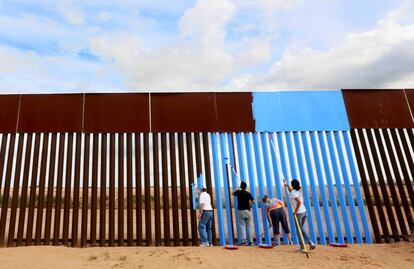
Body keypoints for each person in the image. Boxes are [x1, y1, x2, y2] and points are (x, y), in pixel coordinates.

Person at [284, 179, 316, 252]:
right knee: (301, 229)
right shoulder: (297, 191)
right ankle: (309, 243)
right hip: (304, 212)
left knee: (299, 230)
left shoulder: (293, 193)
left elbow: (298, 202)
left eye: (291, 184)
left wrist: (295, 211)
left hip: (299, 213)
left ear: (293, 185)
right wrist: (286, 185)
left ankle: (305, 246)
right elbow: (291, 191)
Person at [233, 181, 255, 246]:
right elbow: (254, 202)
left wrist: (237, 188)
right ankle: (250, 242)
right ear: (246, 187)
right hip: (248, 211)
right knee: (249, 227)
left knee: (242, 226)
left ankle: (244, 241)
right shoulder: (248, 193)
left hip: (241, 211)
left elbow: (232, 193)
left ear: (241, 186)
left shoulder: (238, 192)